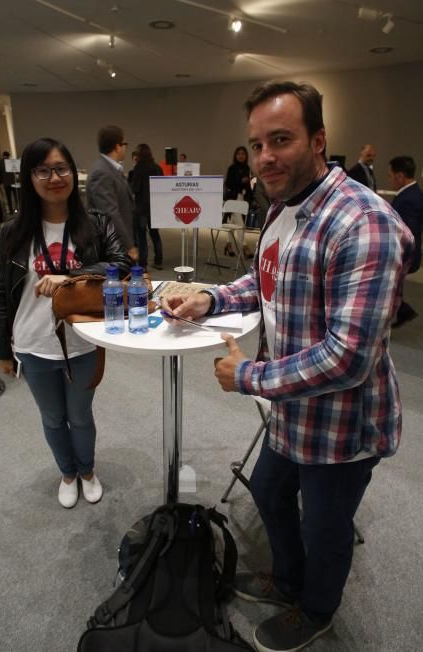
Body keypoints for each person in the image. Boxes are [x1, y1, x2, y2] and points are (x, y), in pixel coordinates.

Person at [161, 81, 414, 652]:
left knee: (325, 529)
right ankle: (290, 578)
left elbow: (347, 358)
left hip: (342, 426)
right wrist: (212, 298)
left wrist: (247, 377)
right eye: (255, 144)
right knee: (272, 496)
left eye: (281, 139)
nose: (265, 156)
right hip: (290, 413)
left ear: (318, 140)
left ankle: (317, 608)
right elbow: (269, 279)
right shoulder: (283, 208)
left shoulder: (362, 224)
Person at [0, 137, 131, 508]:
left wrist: (70, 278)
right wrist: (2, 349)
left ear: (73, 173)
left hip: (82, 341)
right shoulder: (13, 231)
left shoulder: (97, 223)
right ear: (29, 177)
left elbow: (122, 264)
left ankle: (86, 470)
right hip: (33, 342)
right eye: (43, 170)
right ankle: (67, 473)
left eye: (61, 168)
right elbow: (3, 293)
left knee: (80, 416)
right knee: (53, 418)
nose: (54, 177)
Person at [86, 125, 138, 261]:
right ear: (117, 147)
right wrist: (129, 246)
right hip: (113, 247)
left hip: (118, 243)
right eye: (125, 144)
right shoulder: (102, 172)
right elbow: (110, 213)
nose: (126, 148)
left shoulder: (112, 169)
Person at [387, 155, 423, 328]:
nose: (389, 179)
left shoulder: (409, 198)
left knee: (390, 286)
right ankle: (403, 311)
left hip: (404, 254)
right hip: (406, 254)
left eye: (390, 175)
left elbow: (408, 233)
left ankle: (402, 311)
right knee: (393, 286)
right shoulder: (413, 194)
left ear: (400, 176)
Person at [131, 143, 164, 270]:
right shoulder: (157, 168)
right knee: (155, 234)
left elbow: (135, 188)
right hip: (155, 207)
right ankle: (158, 260)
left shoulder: (139, 167)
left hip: (141, 208)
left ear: (139, 155)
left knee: (141, 236)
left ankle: (143, 264)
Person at [223, 146, 253, 257]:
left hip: (243, 199)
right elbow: (228, 183)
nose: (241, 156)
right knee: (240, 224)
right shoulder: (232, 168)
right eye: (239, 154)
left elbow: (249, 186)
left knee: (232, 224)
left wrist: (252, 199)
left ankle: (229, 245)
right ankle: (245, 247)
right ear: (235, 156)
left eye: (243, 154)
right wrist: (241, 180)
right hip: (232, 199)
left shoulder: (248, 169)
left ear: (246, 156)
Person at [0, 150, 16, 214]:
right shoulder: (11, 161)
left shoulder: (0, 162)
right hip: (13, 181)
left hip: (5, 182)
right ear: (8, 155)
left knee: (8, 197)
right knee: (15, 196)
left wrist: (1, 180)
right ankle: (17, 209)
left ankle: (11, 210)